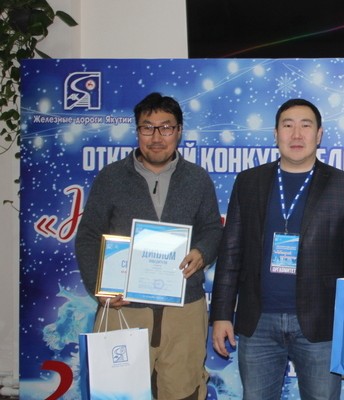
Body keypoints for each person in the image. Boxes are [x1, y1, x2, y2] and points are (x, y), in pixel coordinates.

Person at [209, 98, 344, 400]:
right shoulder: (248, 182)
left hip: (321, 326)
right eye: (288, 126)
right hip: (258, 323)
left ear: (319, 134)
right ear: (275, 134)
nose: (296, 134)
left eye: (305, 126)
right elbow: (231, 252)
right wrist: (221, 315)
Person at [75, 92, 223, 399]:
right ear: (137, 131)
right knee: (118, 392)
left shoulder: (198, 179)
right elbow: (88, 235)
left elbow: (212, 228)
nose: (156, 137)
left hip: (184, 309)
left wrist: (202, 252)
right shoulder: (111, 177)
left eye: (166, 127)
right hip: (124, 308)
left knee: (183, 391)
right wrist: (98, 288)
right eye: (147, 127)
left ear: (179, 131)